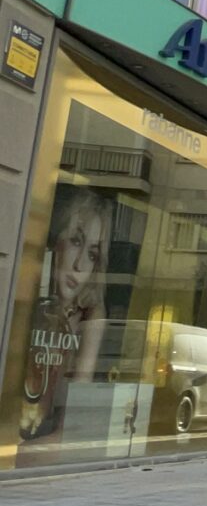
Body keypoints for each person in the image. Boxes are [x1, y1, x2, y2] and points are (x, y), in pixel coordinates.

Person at [20, 185, 113, 442]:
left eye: (93, 254)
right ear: (55, 241)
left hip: (43, 442)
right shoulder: (28, 297)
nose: (80, 265)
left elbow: (75, 410)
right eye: (75, 241)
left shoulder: (91, 316)